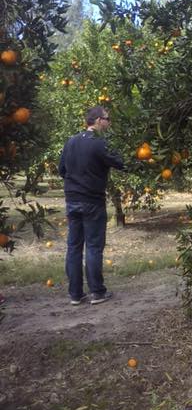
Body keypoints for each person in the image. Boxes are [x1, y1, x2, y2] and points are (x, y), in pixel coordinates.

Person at [58, 106, 125, 306]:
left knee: (74, 247)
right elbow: (121, 162)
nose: (109, 122)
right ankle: (97, 292)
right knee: (94, 247)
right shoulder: (99, 144)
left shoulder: (70, 141)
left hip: (72, 201)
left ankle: (75, 295)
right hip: (92, 202)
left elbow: (62, 170)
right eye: (107, 119)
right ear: (97, 121)